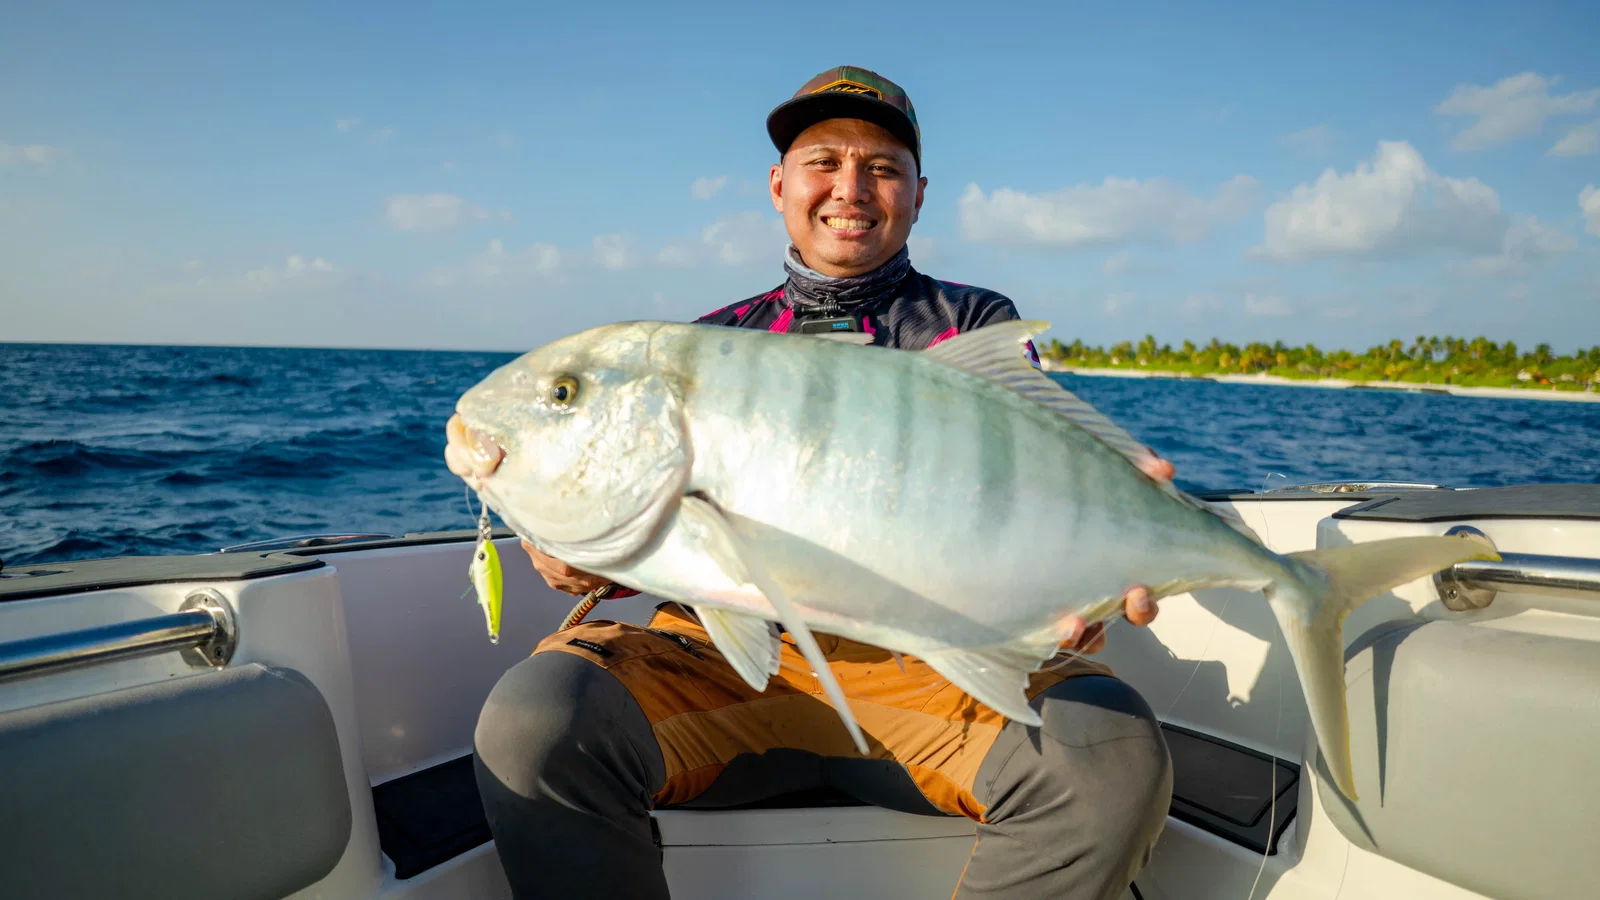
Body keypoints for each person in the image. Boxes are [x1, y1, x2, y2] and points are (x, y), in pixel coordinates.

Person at [462, 66, 1175, 900]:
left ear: (918, 194)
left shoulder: (975, 325)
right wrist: (579, 557)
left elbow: (1027, 497)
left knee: (1108, 761)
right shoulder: (713, 341)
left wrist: (1088, 575)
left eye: (882, 167)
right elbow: (674, 530)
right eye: (824, 162)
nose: (851, 188)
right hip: (721, 666)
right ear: (779, 185)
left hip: (928, 668)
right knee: (535, 725)